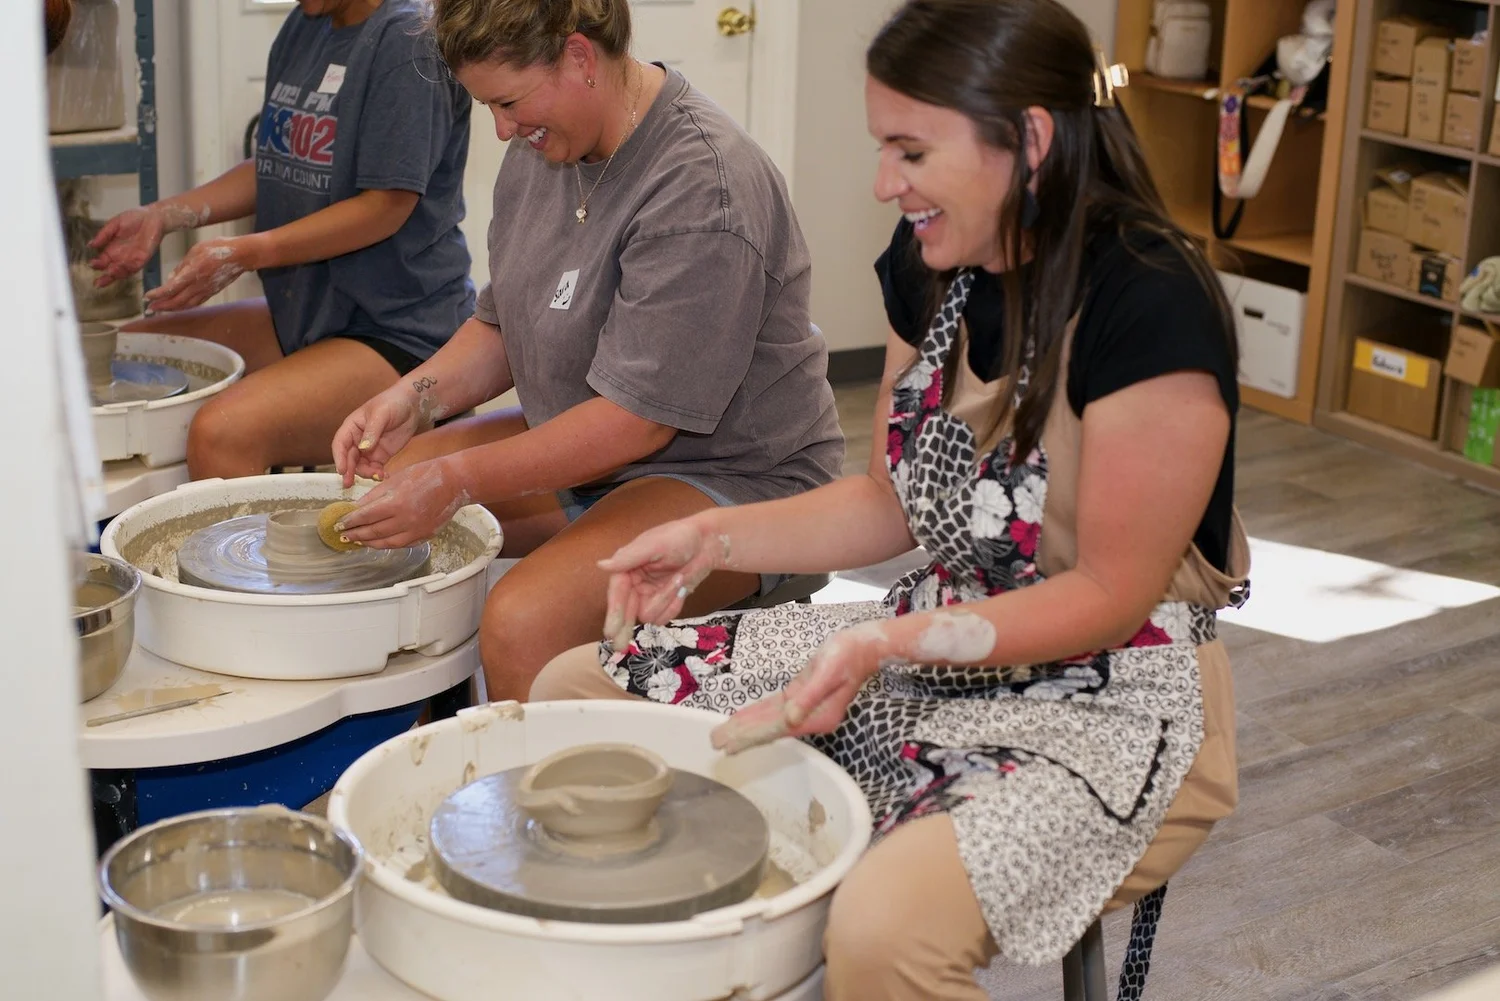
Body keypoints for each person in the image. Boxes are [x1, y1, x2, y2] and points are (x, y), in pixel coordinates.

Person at [529, 0, 1252, 997]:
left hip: (1117, 698)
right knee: (578, 690)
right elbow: (892, 499)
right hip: (937, 644)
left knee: (882, 925)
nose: (883, 184)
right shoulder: (935, 265)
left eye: (910, 151)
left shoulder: (1148, 304)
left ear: (1030, 140)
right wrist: (706, 532)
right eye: (882, 149)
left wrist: (880, 644)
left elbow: (1111, 596)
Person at [329, 0, 844, 703]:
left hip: (738, 476)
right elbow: (503, 326)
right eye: (488, 106)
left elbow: (636, 422)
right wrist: (411, 400)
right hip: (604, 448)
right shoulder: (543, 150)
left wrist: (458, 478)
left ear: (578, 57)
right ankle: (450, 733)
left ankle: (539, 799)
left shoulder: (701, 185)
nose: (503, 129)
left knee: (520, 622)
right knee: (390, 493)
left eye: (508, 102)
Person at [87, 0, 474, 480]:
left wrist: (246, 253)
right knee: (121, 352)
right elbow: (275, 165)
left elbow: (385, 207)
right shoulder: (305, 24)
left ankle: (245, 552)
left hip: (400, 331)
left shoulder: (407, 41)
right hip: (311, 314)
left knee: (220, 433)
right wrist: (163, 215)